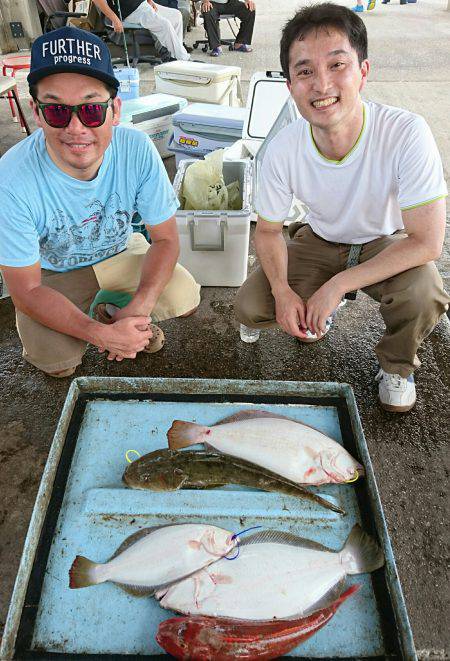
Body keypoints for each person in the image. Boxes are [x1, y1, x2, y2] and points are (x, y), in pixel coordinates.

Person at [234, 3, 449, 413]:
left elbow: (426, 242)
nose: (321, 84)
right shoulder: (281, 148)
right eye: (305, 71)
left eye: (337, 65)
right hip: (320, 237)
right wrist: (282, 291)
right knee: (251, 304)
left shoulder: (406, 132)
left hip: (384, 242)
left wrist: (337, 287)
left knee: (424, 292)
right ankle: (310, 305)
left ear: (363, 71)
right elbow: (266, 231)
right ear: (289, 83)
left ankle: (397, 365)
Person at [0, 26, 200, 378]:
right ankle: (104, 318)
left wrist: (140, 308)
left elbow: (166, 239)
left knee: (186, 297)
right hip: (53, 273)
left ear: (115, 110)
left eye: (92, 110)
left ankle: (120, 313)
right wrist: (103, 336)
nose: (76, 128)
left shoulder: (137, 149)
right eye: (57, 111)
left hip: (121, 253)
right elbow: (27, 290)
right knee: (58, 364)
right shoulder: (11, 178)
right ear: (36, 111)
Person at [93, 0, 190, 61]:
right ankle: (183, 59)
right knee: (164, 24)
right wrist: (114, 18)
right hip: (129, 11)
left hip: (142, 4)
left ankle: (174, 57)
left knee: (176, 15)